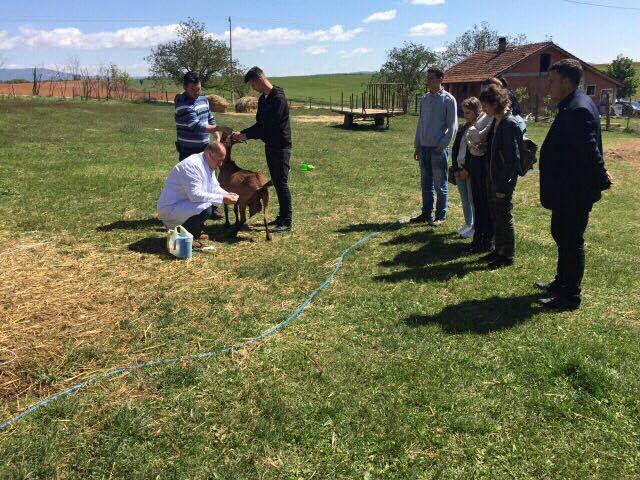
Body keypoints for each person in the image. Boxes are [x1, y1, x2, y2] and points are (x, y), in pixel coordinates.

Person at [537, 59, 612, 310]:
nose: (549, 86)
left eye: (552, 81)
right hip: (566, 188)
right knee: (562, 234)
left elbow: (589, 150)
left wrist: (601, 178)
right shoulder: (572, 104)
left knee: (571, 239)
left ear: (566, 82)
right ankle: (561, 282)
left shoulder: (578, 108)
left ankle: (570, 295)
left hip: (574, 190)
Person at [232, 67, 293, 233]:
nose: (253, 89)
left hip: (281, 146)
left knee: (281, 183)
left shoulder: (278, 99)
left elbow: (269, 127)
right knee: (276, 179)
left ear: (258, 80)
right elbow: (260, 124)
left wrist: (247, 136)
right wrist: (244, 133)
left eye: (252, 84)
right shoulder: (263, 99)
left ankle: (287, 221)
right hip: (270, 145)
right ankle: (281, 217)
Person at [157, 142, 239, 248]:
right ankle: (181, 235)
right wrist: (223, 198)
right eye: (219, 160)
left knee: (212, 203)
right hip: (171, 208)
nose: (221, 164)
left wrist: (226, 194)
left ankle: (192, 229)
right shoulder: (191, 165)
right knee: (207, 208)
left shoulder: (208, 163)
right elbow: (194, 195)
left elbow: (213, 187)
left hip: (184, 203)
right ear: (210, 154)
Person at [479, 85, 523, 269]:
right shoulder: (496, 121)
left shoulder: (509, 123)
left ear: (495, 103)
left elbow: (512, 158)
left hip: (502, 181)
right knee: (495, 215)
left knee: (504, 215)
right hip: (492, 177)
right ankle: (498, 250)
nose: (483, 110)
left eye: (485, 106)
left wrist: (503, 185)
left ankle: (507, 254)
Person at [411, 66, 458, 226]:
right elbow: (420, 124)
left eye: (431, 78)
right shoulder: (424, 99)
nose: (428, 81)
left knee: (440, 184)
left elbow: (453, 126)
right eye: (427, 78)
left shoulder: (448, 100)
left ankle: (440, 216)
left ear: (440, 79)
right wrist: (417, 145)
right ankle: (426, 214)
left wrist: (442, 145)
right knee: (426, 183)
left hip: (438, 149)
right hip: (424, 147)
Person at [174, 71, 232, 161]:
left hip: (205, 148)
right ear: (185, 87)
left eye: (199, 89)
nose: (196, 92)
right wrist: (220, 128)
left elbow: (210, 118)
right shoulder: (183, 104)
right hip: (188, 151)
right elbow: (197, 126)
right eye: (193, 89)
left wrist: (217, 138)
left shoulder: (203, 100)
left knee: (208, 174)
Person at [466, 98, 495, 252]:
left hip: (486, 164)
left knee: (486, 204)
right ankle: (478, 238)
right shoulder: (484, 115)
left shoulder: (497, 118)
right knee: (477, 202)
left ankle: (488, 240)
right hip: (475, 161)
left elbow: (478, 136)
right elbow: (471, 137)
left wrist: (474, 133)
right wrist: (474, 134)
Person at [450, 98, 479, 239]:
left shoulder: (479, 130)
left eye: (468, 113)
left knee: (472, 198)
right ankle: (468, 223)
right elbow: (455, 149)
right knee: (464, 199)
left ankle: (475, 227)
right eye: (464, 112)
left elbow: (474, 153)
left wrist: (466, 170)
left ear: (476, 112)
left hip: (470, 170)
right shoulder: (462, 128)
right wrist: (456, 167)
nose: (465, 115)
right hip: (459, 167)